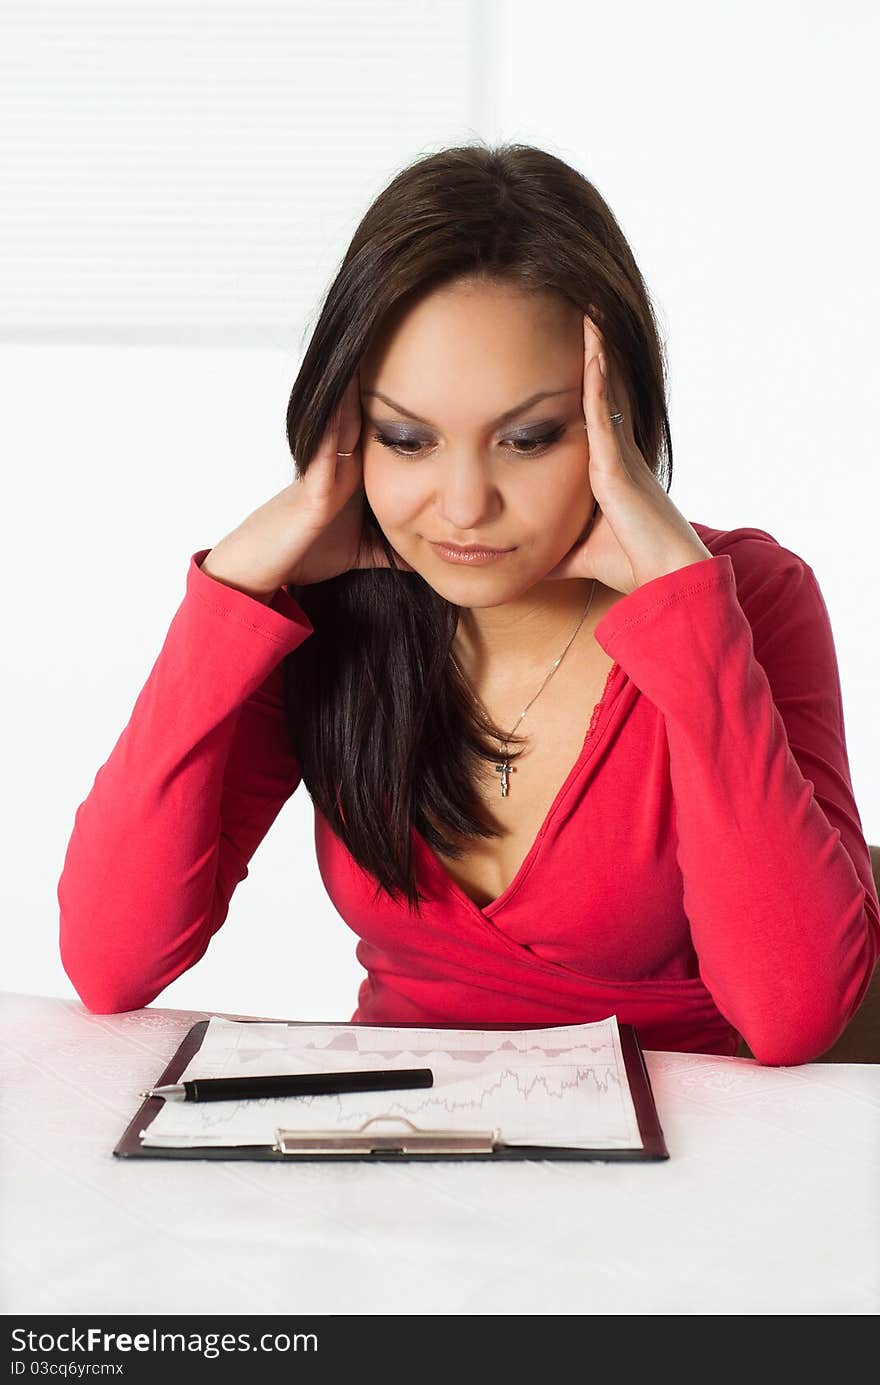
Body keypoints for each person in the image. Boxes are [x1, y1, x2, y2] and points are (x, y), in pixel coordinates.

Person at [57, 142, 879, 1065]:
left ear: (621, 424)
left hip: (684, 1170)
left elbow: (794, 1012)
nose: (462, 505)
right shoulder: (322, 613)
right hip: (400, 1158)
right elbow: (109, 960)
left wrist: (685, 613)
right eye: (407, 439)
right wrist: (233, 591)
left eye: (526, 439)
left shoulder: (748, 600)